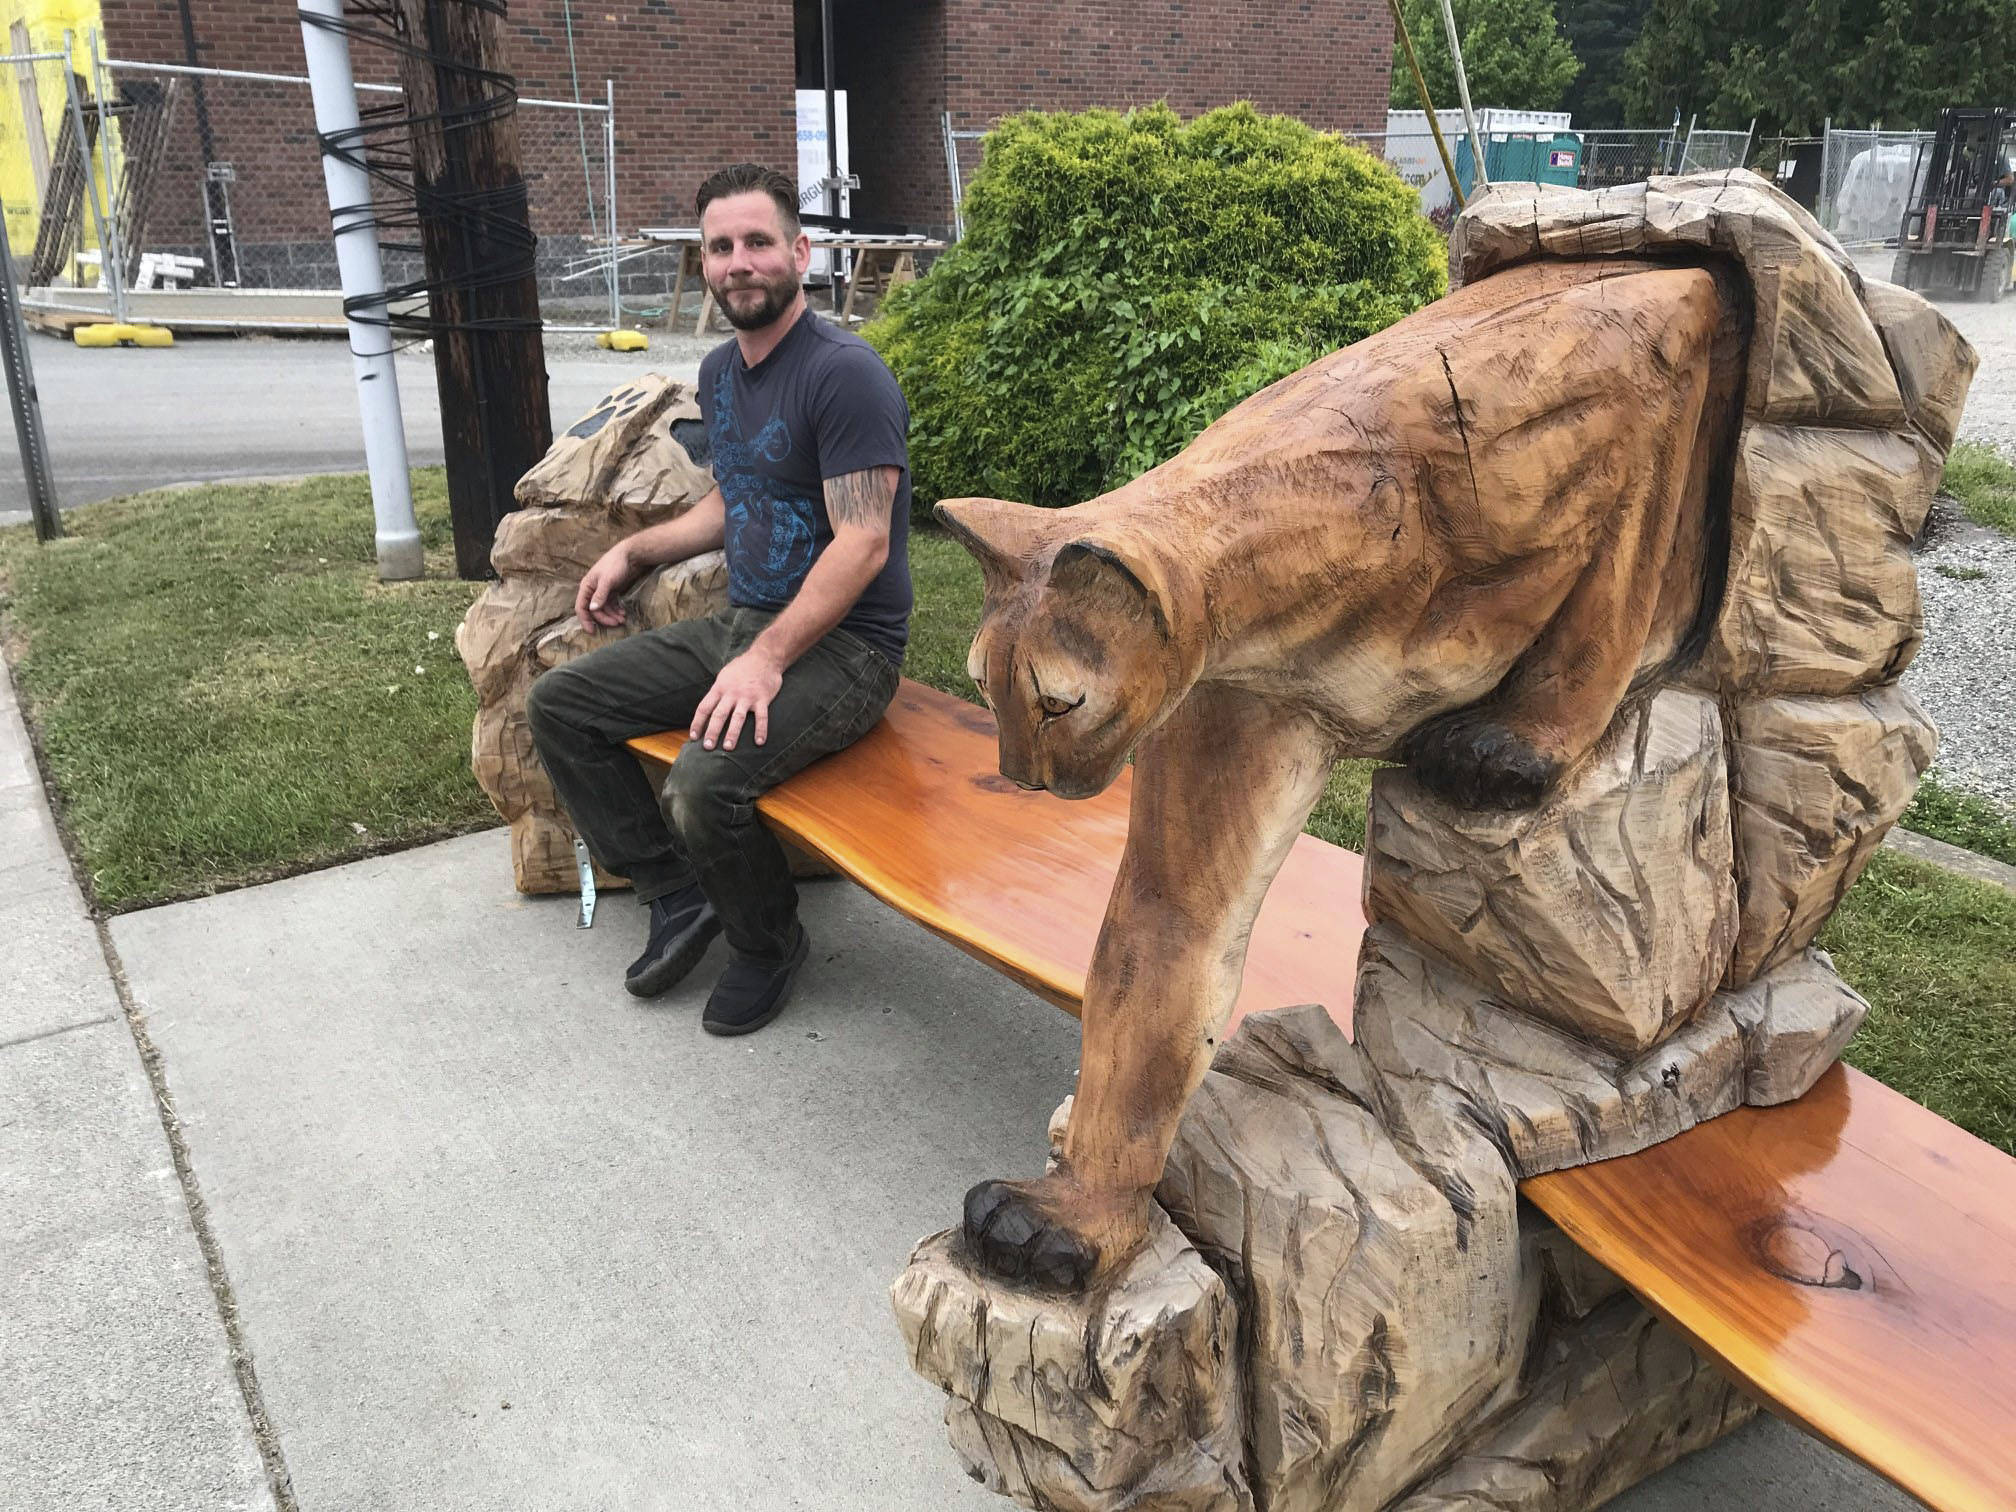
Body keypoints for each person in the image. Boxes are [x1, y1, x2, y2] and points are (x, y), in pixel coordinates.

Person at [527, 163, 911, 1036]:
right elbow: (736, 496)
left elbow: (866, 541)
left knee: (702, 787)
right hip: (747, 626)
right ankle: (676, 895)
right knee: (562, 706)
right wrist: (635, 549)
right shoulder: (721, 371)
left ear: (801, 252)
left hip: (845, 650)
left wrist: (767, 661)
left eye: (758, 243)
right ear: (704, 262)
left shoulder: (845, 375)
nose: (740, 262)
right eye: (721, 246)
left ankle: (769, 944)